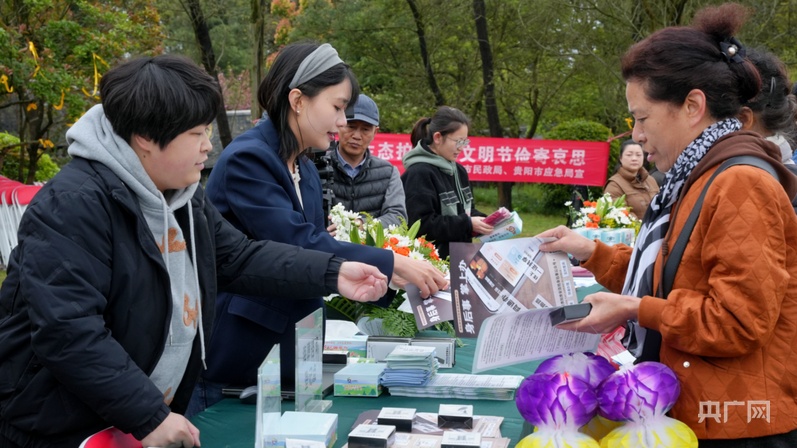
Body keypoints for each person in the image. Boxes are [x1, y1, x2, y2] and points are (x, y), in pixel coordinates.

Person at [0, 55, 388, 448]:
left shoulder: (183, 197)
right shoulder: (73, 205)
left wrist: (333, 272)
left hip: (129, 420)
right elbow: (69, 331)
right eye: (196, 133)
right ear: (145, 138)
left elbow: (239, 258)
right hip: (56, 428)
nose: (207, 146)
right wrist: (148, 415)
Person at [539, 4, 797, 444]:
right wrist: (593, 253)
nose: (637, 135)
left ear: (692, 106)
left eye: (642, 118)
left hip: (738, 422)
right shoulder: (694, 176)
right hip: (703, 408)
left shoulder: (739, 183)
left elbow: (738, 322)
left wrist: (635, 310)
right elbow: (671, 277)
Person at [195, 42, 447, 415]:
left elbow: (316, 252)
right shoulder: (248, 160)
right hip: (241, 357)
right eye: (338, 107)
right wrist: (391, 262)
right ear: (298, 100)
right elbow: (298, 244)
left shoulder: (306, 168)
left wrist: (380, 278)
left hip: (296, 354)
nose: (343, 122)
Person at [401, 106, 493, 259]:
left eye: (465, 142)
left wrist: (488, 220)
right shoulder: (419, 173)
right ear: (438, 138)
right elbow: (421, 226)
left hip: (460, 258)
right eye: (458, 141)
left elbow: (466, 211)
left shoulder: (459, 171)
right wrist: (467, 224)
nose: (462, 148)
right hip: (431, 262)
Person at [326, 93, 407, 229]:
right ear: (339, 124)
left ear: (375, 132)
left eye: (365, 129)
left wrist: (363, 225)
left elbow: (398, 217)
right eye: (351, 126)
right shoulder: (319, 166)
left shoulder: (388, 173)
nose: (357, 136)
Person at [603, 139, 659, 218]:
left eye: (638, 155)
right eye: (629, 155)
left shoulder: (651, 180)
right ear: (621, 158)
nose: (634, 158)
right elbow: (621, 215)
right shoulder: (614, 185)